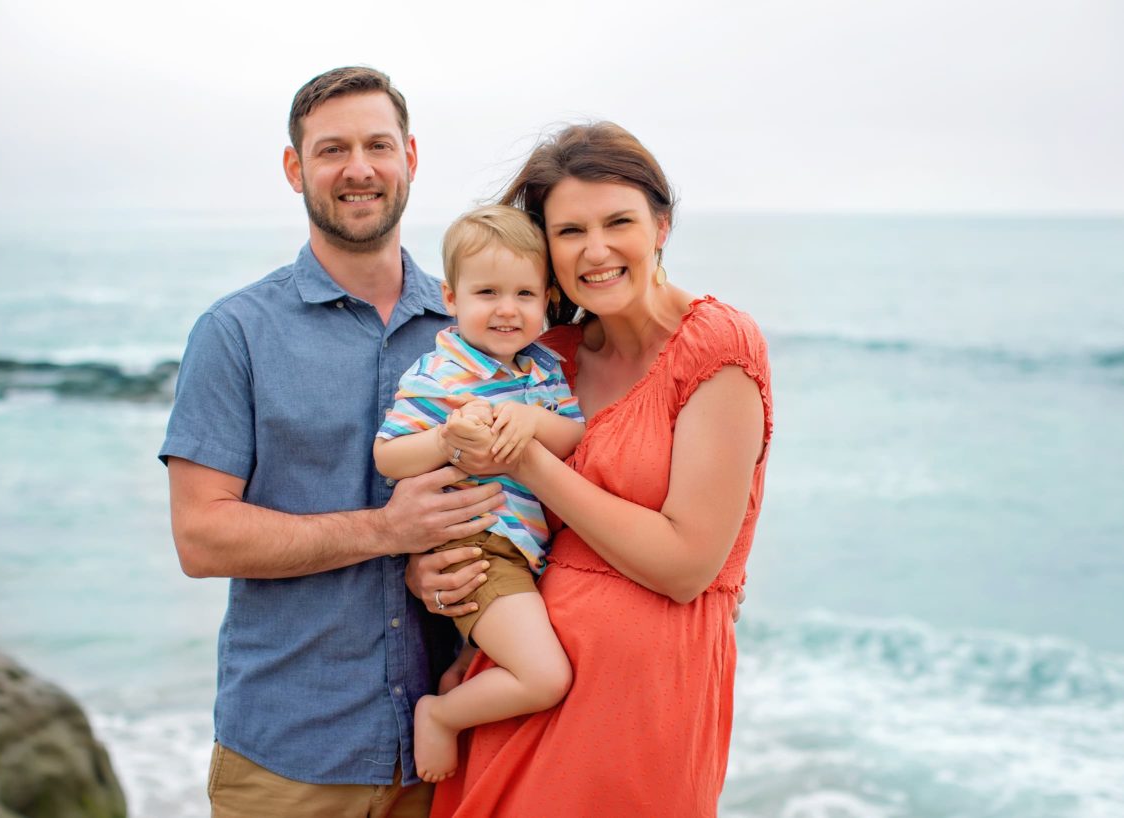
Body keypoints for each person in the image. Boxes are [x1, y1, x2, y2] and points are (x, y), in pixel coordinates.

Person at [158, 66, 500, 818]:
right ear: (295, 168)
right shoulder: (236, 333)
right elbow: (201, 537)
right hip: (288, 757)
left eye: (378, 145)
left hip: (445, 755)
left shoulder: (473, 330)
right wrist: (387, 532)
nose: (359, 169)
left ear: (410, 156)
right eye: (331, 149)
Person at [416, 122, 774, 817]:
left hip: (642, 712)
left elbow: (685, 566)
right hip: (518, 683)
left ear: (661, 225)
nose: (597, 250)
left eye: (619, 222)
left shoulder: (717, 348)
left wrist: (530, 460)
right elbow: (473, 494)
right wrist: (429, 575)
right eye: (570, 231)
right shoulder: (543, 355)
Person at [373, 204, 586, 783]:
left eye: (523, 294)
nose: (506, 309)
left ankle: (459, 678)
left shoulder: (544, 372)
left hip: (528, 550)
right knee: (544, 677)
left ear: (547, 300)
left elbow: (574, 439)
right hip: (480, 548)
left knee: (505, 656)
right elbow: (388, 455)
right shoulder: (436, 375)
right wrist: (444, 438)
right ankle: (441, 714)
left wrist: (529, 419)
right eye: (487, 292)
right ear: (451, 297)